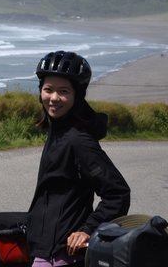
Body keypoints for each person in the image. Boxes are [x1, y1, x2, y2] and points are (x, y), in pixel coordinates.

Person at [27, 51, 130, 267]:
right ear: (40, 92)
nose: (54, 98)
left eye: (63, 91)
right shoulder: (58, 131)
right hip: (44, 249)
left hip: (62, 255)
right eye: (48, 90)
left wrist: (87, 230)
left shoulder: (78, 140)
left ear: (77, 96)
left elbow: (117, 193)